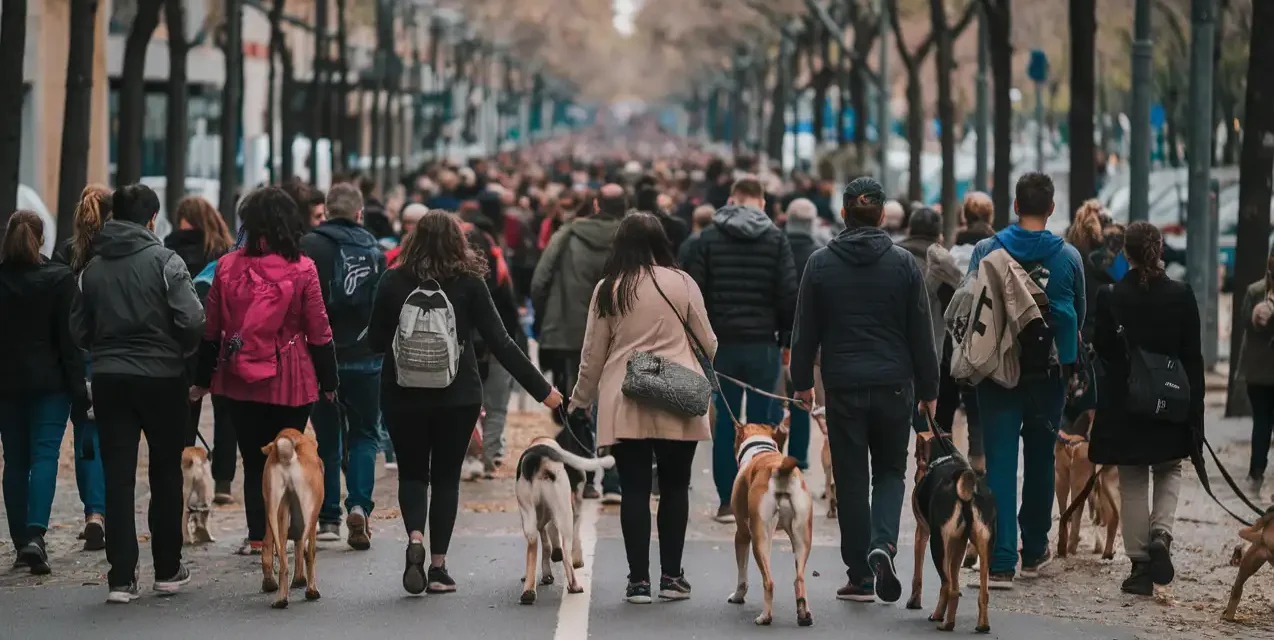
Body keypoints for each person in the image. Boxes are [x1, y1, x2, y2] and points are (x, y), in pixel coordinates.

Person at [366, 209, 561, 595]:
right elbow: (502, 342)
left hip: (402, 393)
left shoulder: (393, 280)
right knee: (445, 479)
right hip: (458, 394)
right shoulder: (469, 283)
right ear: (459, 242)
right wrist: (546, 392)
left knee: (413, 473)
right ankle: (438, 567)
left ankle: (416, 540)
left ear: (412, 240)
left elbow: (375, 341)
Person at [790, 177, 938, 604]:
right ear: (881, 215)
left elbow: (805, 332)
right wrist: (929, 388)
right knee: (890, 472)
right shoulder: (905, 264)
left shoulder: (820, 264)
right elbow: (921, 334)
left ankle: (859, 574)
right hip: (895, 385)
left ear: (843, 214)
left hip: (844, 387)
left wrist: (803, 385)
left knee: (851, 478)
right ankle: (884, 544)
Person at [570, 212, 717, 604]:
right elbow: (710, 342)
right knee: (674, 486)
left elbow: (592, 355)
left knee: (634, 488)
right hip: (677, 394)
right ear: (661, 243)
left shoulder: (609, 289)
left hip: (626, 395)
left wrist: (579, 401)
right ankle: (672, 577)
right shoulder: (682, 282)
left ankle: (638, 582)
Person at [71, 184, 206, 603]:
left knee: (118, 477)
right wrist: (179, 350)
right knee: (165, 472)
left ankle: (120, 577)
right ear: (152, 219)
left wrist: (105, 347)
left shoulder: (91, 269)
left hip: (111, 379)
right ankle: (167, 569)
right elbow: (192, 318)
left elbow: (77, 329)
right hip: (163, 378)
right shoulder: (166, 262)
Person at [192, 186, 339, 558]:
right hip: (292, 376)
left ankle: (259, 535)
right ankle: (292, 526)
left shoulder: (226, 267)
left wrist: (202, 379)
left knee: (255, 458)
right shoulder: (303, 268)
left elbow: (212, 330)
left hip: (239, 378)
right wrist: (329, 382)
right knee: (289, 453)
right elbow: (319, 330)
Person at [966, 172, 1085, 590]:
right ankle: (1034, 549)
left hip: (997, 372)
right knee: (1040, 461)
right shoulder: (1069, 257)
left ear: (1015, 207)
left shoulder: (986, 249)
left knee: (998, 462)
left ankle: (999, 560)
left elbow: (970, 306)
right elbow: (1079, 316)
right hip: (1047, 375)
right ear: (1051, 209)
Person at [1088, 221, 1202, 595]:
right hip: (1171, 399)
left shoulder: (1110, 297)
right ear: (1160, 251)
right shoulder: (1182, 295)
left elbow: (1102, 349)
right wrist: (1195, 413)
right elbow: (1193, 358)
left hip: (1126, 402)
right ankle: (1161, 535)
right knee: (1170, 467)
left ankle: (1139, 566)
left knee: (1133, 477)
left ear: (1126, 254)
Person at [685, 176, 798, 523]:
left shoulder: (707, 239)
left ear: (732, 201)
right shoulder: (776, 240)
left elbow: (695, 293)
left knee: (725, 424)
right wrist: (786, 341)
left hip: (722, 345)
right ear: (762, 203)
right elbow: (788, 294)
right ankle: (767, 494)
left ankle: (727, 500)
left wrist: (701, 342)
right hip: (763, 342)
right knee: (767, 423)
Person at [0, 211, 90, 574]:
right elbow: (69, 343)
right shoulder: (59, 280)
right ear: (40, 240)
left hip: (6, 385)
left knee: (15, 460)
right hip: (51, 384)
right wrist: (78, 389)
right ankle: (37, 534)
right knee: (44, 456)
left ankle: (20, 539)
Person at [300, 183, 387, 549]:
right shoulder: (377, 251)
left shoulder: (308, 246)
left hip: (323, 357)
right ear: (359, 213)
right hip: (367, 356)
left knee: (327, 438)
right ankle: (360, 506)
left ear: (326, 210)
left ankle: (329, 518)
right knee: (366, 433)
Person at [532, 184, 626, 501]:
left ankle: (582, 477)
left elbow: (540, 279)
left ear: (597, 204)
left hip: (571, 331)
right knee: (615, 401)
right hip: (619, 331)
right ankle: (614, 478)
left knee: (577, 400)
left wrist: (546, 319)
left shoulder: (569, 234)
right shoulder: (630, 238)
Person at [50, 185, 111, 547]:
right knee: (117, 435)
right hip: (117, 354)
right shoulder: (119, 253)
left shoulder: (67, 256)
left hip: (80, 357)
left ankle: (95, 513)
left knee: (88, 439)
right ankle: (113, 510)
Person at [165, 196, 236, 473]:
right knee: (225, 410)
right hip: (219, 338)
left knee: (186, 408)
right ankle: (223, 480)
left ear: (184, 219)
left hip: (181, 340)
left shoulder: (169, 249)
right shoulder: (225, 253)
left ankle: (184, 468)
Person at [779, 197, 823, 469]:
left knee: (775, 400)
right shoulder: (819, 252)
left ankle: (771, 451)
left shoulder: (777, 247)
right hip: (809, 336)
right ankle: (799, 454)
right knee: (803, 395)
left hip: (778, 334)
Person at [1240, 251, 1274, 488]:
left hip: (1258, 373)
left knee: (1261, 423)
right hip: (1261, 372)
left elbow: (1244, 321)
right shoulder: (1255, 292)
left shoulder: (1254, 291)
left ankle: (1256, 473)